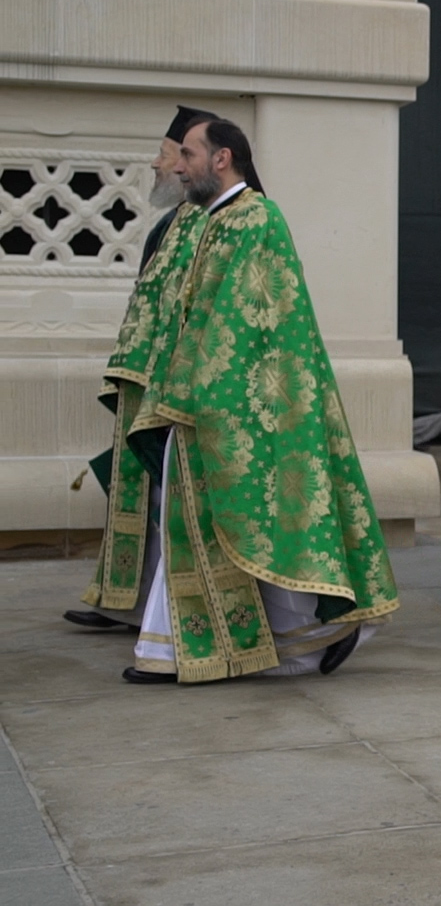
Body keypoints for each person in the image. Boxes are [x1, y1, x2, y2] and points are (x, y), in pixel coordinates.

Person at [121, 118, 398, 682]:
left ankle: (203, 646)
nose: (177, 166)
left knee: (255, 522)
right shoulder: (211, 222)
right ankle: (281, 639)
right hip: (204, 394)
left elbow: (248, 322)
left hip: (244, 402)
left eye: (188, 155)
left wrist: (197, 390)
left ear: (223, 158)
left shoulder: (258, 219)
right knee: (226, 521)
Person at [67, 106, 215, 634]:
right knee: (140, 490)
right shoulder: (171, 223)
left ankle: (162, 612)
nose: (158, 165)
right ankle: (125, 604)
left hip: (175, 385)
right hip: (145, 377)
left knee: (166, 495)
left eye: (168, 153)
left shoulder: (214, 221)